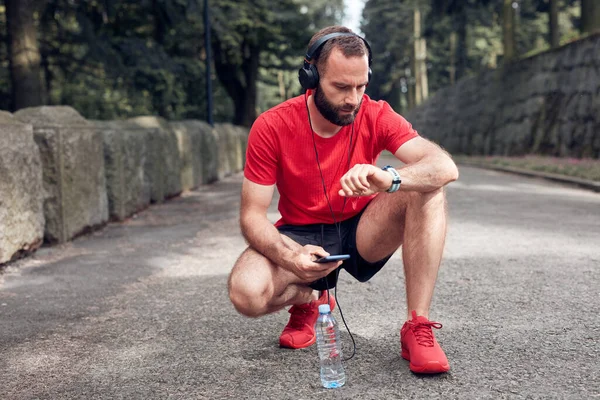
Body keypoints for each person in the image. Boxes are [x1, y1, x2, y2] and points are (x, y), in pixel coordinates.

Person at [227, 25, 459, 374]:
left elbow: (443, 166)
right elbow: (252, 216)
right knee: (245, 294)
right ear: (310, 76)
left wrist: (391, 178)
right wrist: (291, 259)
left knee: (428, 186)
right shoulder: (271, 126)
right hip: (298, 233)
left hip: (362, 230)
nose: (353, 98)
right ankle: (311, 297)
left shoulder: (376, 113)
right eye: (341, 87)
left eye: (361, 85)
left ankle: (418, 326)